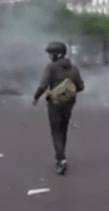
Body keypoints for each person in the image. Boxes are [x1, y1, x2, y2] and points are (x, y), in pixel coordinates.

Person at [33, 41, 85, 175]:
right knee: (63, 130)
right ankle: (60, 156)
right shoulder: (74, 68)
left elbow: (43, 85)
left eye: (51, 53)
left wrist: (36, 97)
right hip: (69, 103)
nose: (50, 56)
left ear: (58, 54)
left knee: (56, 132)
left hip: (55, 104)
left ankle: (61, 160)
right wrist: (67, 90)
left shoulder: (51, 67)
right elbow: (80, 87)